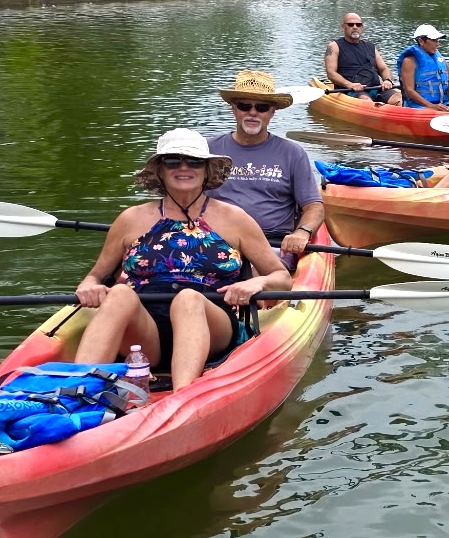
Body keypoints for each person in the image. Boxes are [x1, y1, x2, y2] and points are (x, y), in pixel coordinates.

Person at [73, 130, 291, 390]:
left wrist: (257, 285)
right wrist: (88, 286)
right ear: (160, 171)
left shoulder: (235, 218)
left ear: (207, 170)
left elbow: (283, 278)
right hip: (146, 333)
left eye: (194, 161)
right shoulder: (130, 219)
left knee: (187, 298)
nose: (184, 167)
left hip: (211, 322)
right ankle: (77, 392)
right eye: (173, 161)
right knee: (119, 293)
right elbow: (96, 275)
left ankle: (183, 395)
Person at [208, 70, 324, 263]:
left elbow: (313, 206)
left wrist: (302, 232)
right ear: (233, 108)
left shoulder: (292, 153)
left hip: (271, 244)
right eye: (244, 106)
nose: (252, 113)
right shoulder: (207, 150)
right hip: (214, 241)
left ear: (272, 111)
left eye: (261, 107)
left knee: (257, 277)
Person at [324, 13, 401, 105]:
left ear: (362, 27)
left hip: (376, 88)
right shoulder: (334, 46)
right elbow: (331, 73)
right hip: (350, 90)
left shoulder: (371, 47)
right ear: (343, 27)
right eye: (350, 24)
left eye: (358, 24)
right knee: (366, 101)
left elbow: (384, 68)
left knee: (399, 98)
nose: (355, 27)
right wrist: (350, 84)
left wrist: (387, 80)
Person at [398, 24, 449, 111]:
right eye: (434, 40)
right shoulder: (409, 61)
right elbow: (410, 91)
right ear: (421, 41)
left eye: (438, 40)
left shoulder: (439, 59)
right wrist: (431, 106)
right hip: (418, 107)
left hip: (442, 105)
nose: (438, 44)